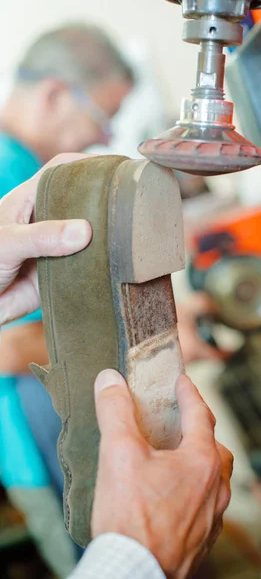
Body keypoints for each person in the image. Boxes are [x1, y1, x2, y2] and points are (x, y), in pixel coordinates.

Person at [0, 153, 234, 578]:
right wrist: (138, 555)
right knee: (95, 523)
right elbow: (8, 350)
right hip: (33, 449)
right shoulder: (5, 162)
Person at [0, 23, 134, 576]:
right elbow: (8, 349)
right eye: (101, 119)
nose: (102, 139)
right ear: (55, 94)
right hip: (35, 450)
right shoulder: (15, 174)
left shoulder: (28, 170)